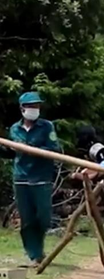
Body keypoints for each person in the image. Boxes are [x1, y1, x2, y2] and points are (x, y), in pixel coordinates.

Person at [9, 92, 60, 267]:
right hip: (21, 178)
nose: (34, 110)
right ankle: (34, 254)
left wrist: (34, 148)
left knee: (44, 217)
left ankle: (38, 249)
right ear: (22, 109)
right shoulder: (15, 129)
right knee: (27, 219)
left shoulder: (46, 127)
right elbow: (11, 153)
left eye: (37, 106)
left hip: (41, 178)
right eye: (31, 106)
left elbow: (55, 149)